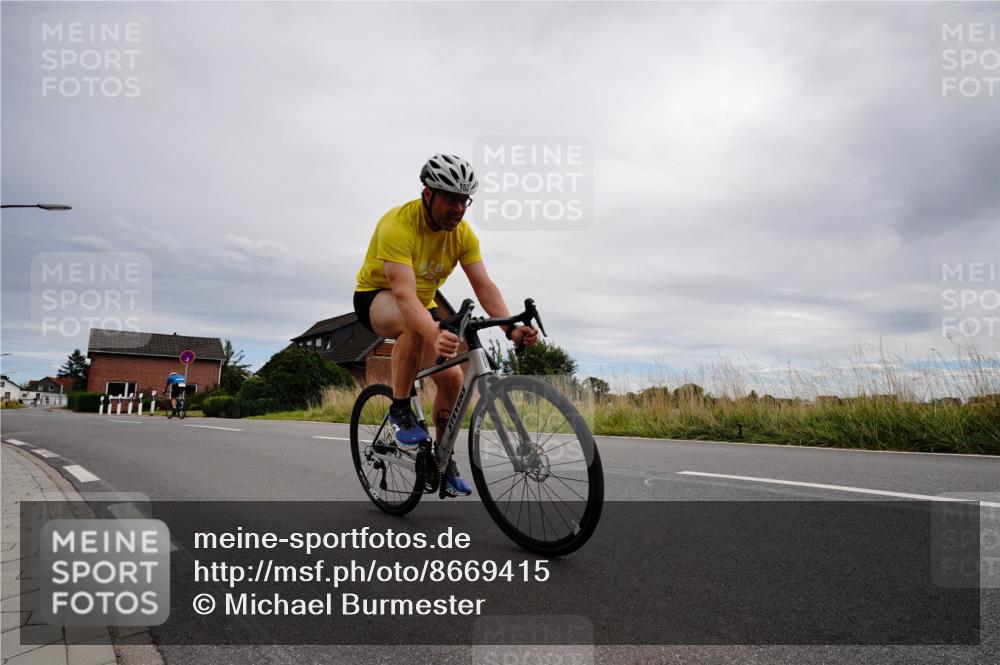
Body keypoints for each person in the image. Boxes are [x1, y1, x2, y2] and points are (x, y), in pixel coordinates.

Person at [354, 153, 539, 497]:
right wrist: (434, 332)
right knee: (414, 326)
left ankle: (442, 458)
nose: (459, 208)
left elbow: (484, 286)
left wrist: (510, 329)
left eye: (464, 200)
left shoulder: (463, 235)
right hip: (377, 297)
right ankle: (399, 409)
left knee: (453, 378)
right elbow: (405, 296)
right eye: (451, 199)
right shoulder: (397, 225)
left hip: (421, 304)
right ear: (428, 194)